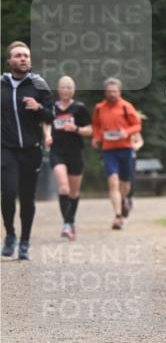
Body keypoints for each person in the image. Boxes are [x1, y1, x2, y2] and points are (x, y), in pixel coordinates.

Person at [1, 41, 53, 260]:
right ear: (9, 61)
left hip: (31, 150)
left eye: (26, 56)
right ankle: (11, 234)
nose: (23, 58)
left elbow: (52, 116)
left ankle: (25, 242)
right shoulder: (1, 85)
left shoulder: (38, 85)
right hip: (6, 149)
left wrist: (38, 108)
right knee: (9, 193)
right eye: (18, 55)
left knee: (27, 198)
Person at [91, 77, 142, 230]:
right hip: (108, 151)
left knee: (125, 184)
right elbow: (96, 125)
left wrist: (125, 132)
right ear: (105, 93)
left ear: (119, 91)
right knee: (113, 182)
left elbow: (137, 125)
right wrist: (96, 138)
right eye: (109, 92)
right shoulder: (99, 108)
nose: (112, 94)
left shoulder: (127, 107)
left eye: (114, 91)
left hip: (126, 149)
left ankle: (125, 199)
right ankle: (118, 215)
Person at [45, 75, 92, 240]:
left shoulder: (80, 108)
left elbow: (91, 130)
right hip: (57, 151)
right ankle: (66, 223)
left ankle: (70, 221)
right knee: (63, 187)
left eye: (69, 87)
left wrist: (76, 128)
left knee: (74, 192)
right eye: (63, 87)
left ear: (74, 90)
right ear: (58, 89)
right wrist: (47, 135)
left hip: (75, 152)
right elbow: (46, 123)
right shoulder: (51, 107)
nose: (65, 90)